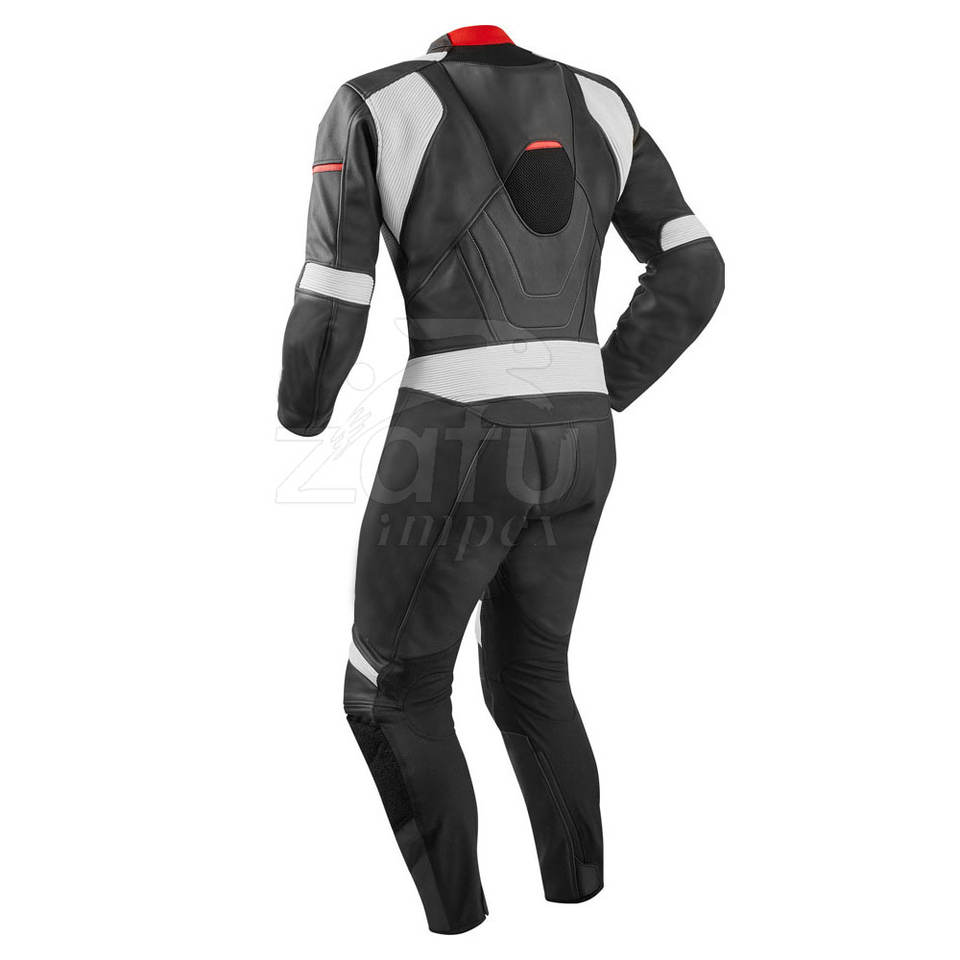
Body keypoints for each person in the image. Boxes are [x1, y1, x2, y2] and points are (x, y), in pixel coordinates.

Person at [277, 25, 724, 934]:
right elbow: (695, 265)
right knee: (531, 675)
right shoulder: (603, 101)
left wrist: (303, 413)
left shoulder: (376, 102)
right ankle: (581, 902)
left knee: (389, 692)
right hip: (583, 435)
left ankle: (459, 926)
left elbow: (333, 297)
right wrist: (604, 384)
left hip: (455, 433)